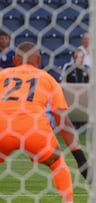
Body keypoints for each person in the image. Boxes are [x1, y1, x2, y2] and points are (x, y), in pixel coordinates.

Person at [0, 42, 91, 203]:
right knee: (56, 161)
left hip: (3, 128)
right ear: (39, 60)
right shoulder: (47, 78)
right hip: (34, 129)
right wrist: (81, 160)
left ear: (14, 60)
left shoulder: (2, 75)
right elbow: (63, 121)